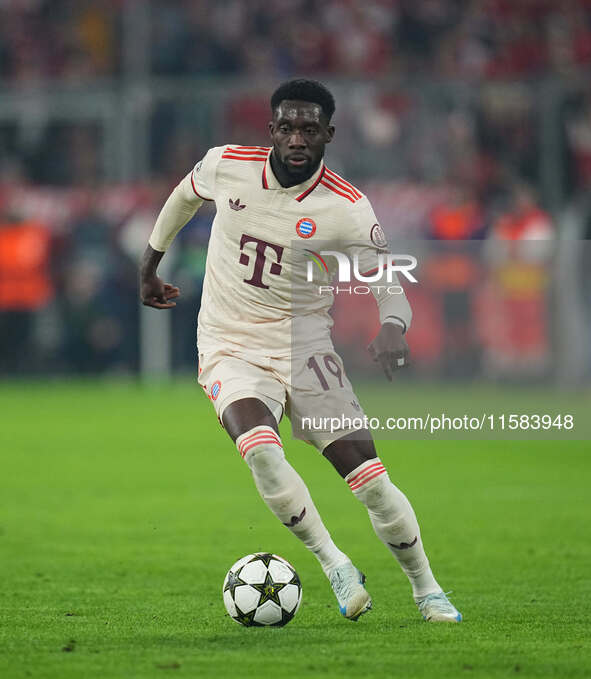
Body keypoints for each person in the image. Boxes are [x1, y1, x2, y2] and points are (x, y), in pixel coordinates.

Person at [140, 79, 461, 623]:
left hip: (304, 345)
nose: (295, 138)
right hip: (228, 340)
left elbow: (388, 285)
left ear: (328, 135)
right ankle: (334, 563)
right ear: (270, 130)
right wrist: (150, 264)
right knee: (260, 448)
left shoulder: (348, 208)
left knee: (372, 482)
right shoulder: (227, 164)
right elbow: (183, 197)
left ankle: (427, 588)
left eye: (308, 129)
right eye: (286, 127)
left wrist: (392, 326)